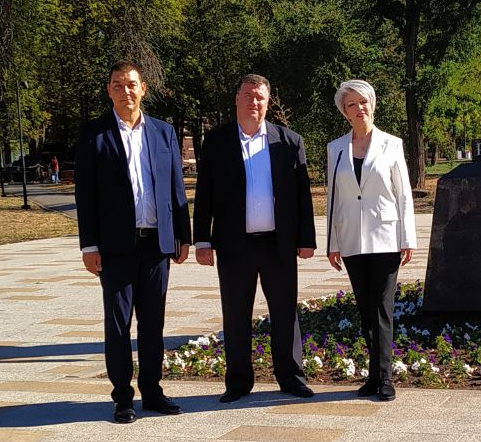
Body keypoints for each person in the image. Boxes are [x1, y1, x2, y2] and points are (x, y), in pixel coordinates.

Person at [74, 61, 191, 423]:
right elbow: (85, 194)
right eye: (117, 85)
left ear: (143, 89)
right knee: (118, 324)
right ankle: (122, 397)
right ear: (109, 90)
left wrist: (183, 236)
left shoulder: (163, 132)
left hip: (157, 245)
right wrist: (89, 245)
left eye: (131, 84)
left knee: (153, 324)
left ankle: (153, 392)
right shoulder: (94, 134)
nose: (125, 91)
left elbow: (176, 188)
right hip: (115, 248)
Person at [194, 73, 316, 403]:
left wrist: (306, 239)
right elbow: (204, 193)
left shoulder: (288, 141)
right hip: (235, 245)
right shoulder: (216, 142)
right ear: (236, 99)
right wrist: (202, 239)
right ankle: (238, 381)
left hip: (278, 243)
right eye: (247, 95)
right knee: (235, 314)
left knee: (285, 312)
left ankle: (291, 377)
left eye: (260, 96)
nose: (253, 101)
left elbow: (302, 195)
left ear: (268, 101)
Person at [326, 79, 416, 401]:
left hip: (386, 238)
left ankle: (385, 378)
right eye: (351, 104)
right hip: (352, 239)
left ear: (372, 104)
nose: (359, 108)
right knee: (365, 310)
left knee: (382, 308)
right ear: (345, 112)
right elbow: (333, 198)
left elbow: (403, 194)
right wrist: (332, 243)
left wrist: (408, 237)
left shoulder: (392, 144)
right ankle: (373, 376)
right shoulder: (335, 148)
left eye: (363, 102)